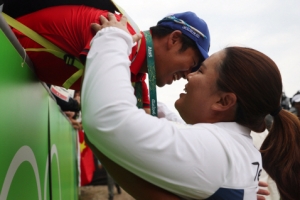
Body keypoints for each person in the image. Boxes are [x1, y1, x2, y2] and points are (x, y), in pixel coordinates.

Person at [81, 14, 300, 200]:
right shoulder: (235, 146)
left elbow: (107, 119)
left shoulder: (215, 151)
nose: (190, 75)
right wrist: (155, 111)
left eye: (201, 71)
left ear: (224, 102)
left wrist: (113, 37)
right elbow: (183, 135)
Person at [9, 5, 210, 114]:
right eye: (191, 65)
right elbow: (106, 115)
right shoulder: (114, 34)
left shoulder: (134, 67)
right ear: (174, 40)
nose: (187, 76)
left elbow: (151, 123)